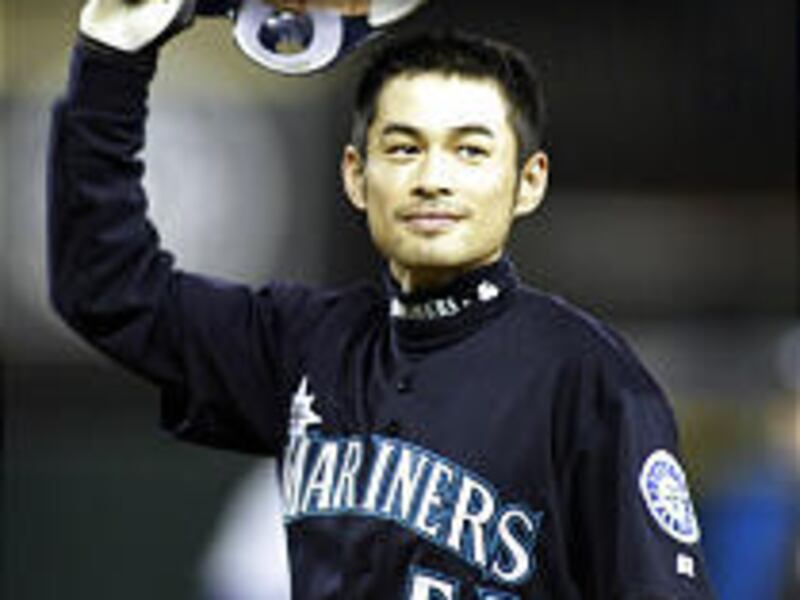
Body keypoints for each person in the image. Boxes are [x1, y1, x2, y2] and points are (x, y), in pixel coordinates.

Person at [47, 1, 716, 597]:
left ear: (528, 181)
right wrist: (111, 65)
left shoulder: (589, 377)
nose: (432, 179)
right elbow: (109, 291)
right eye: (403, 148)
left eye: (471, 151)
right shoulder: (305, 342)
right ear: (356, 175)